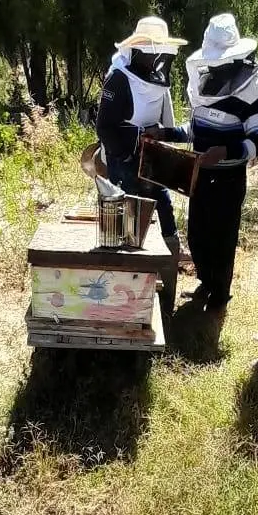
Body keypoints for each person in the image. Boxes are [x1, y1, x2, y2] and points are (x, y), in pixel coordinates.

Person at [164, 14, 258, 311]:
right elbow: (195, 129)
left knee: (222, 238)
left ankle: (220, 295)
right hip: (200, 174)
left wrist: (225, 152)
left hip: (228, 180)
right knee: (198, 234)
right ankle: (206, 282)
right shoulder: (204, 82)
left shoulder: (252, 88)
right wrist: (167, 133)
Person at [96, 16, 187, 302]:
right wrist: (129, 151)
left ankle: (166, 288)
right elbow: (104, 127)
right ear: (136, 50)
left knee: (165, 211)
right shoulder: (118, 78)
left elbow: (167, 124)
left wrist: (161, 139)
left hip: (152, 157)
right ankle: (124, 292)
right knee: (127, 223)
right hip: (124, 161)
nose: (155, 59)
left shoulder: (158, 80)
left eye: (158, 54)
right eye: (150, 53)